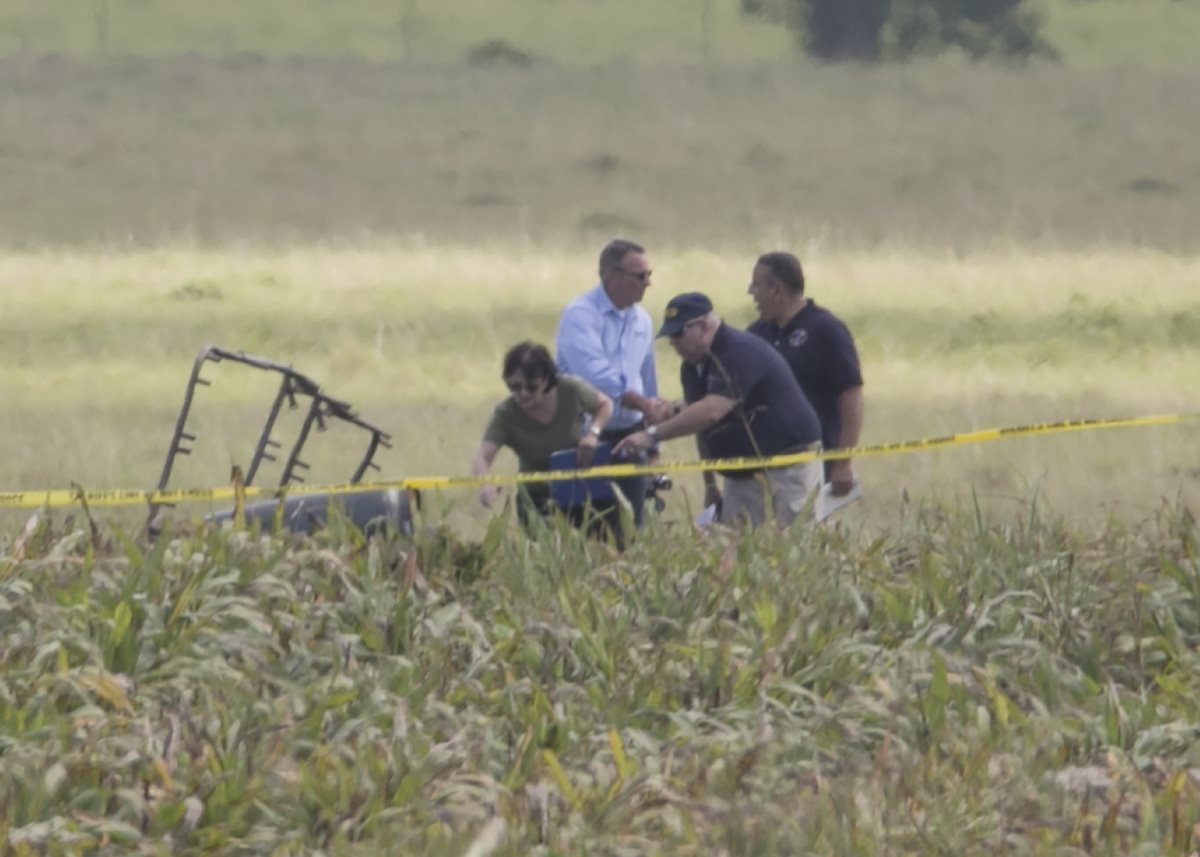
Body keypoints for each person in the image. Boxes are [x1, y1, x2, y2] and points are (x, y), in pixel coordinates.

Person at [614, 293, 823, 529]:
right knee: (737, 547)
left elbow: (712, 411)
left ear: (703, 327)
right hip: (742, 472)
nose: (673, 342)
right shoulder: (692, 367)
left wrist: (651, 435)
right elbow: (702, 426)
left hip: (787, 467)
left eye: (678, 334)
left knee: (791, 541)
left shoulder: (737, 351)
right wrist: (711, 485)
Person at [555, 239, 671, 529]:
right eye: (640, 276)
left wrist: (652, 431)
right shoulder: (580, 315)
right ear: (612, 276)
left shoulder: (642, 321)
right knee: (584, 527)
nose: (648, 283)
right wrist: (643, 403)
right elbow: (596, 377)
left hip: (630, 438)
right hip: (585, 437)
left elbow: (646, 378)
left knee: (631, 526)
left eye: (649, 275)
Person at [747, 251, 864, 497]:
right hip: (762, 465)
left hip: (813, 462)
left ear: (777, 290)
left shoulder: (826, 330)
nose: (751, 293)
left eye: (756, 286)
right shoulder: (755, 334)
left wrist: (842, 463)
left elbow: (851, 397)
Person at [470, 342, 613, 530]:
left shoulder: (570, 389)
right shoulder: (506, 413)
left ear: (547, 380)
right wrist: (486, 483)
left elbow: (605, 405)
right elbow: (481, 456)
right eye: (515, 386)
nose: (523, 393)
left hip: (580, 492)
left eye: (531, 386)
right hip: (536, 499)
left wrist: (593, 433)